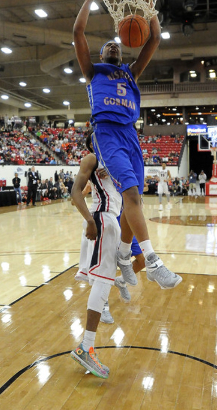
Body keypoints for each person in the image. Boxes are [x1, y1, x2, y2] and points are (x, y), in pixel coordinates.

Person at [73, 0, 182, 290]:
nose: (114, 48)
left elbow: (155, 38)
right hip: (107, 133)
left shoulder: (131, 73)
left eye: (117, 46)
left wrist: (150, 8)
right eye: (109, 46)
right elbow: (78, 32)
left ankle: (123, 254)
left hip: (131, 135)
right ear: (101, 54)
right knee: (132, 195)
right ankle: (152, 261)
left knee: (132, 201)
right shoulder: (92, 71)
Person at [71, 134, 122, 379]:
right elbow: (75, 192)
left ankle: (88, 344)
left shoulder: (112, 162)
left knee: (102, 281)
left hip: (108, 220)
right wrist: (90, 221)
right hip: (100, 218)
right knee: (103, 281)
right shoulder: (92, 158)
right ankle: (86, 346)